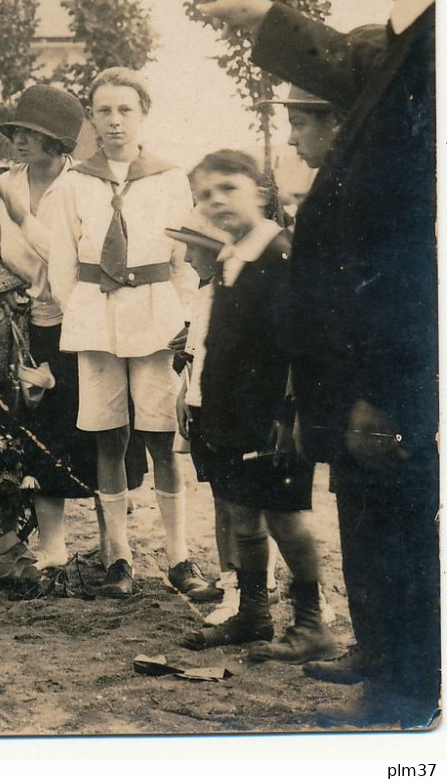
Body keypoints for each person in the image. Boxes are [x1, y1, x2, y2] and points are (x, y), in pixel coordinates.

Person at [194, 0, 436, 726]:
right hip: (369, 344)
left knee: (393, 508)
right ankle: (387, 661)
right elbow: (345, 59)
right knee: (370, 507)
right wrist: (263, 15)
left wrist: (381, 378)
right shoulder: (405, 34)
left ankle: (407, 692)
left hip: (394, 348)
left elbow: (413, 243)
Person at [45, 67, 207, 601]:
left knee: (160, 437)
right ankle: (119, 557)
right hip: (97, 317)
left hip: (155, 315)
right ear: (91, 116)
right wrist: (86, 307)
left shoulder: (168, 177)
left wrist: (177, 314)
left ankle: (179, 557)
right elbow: (63, 263)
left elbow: (185, 257)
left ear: (142, 115)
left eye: (125, 111)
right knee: (107, 434)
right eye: (105, 111)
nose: (115, 122)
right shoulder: (74, 182)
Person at [177, 151, 336, 663]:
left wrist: (289, 417)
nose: (216, 201)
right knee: (242, 514)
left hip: (273, 420)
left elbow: (304, 347)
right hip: (230, 414)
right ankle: (253, 614)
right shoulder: (231, 257)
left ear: (261, 192)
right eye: (205, 194)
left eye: (228, 187)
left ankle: (312, 624)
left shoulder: (281, 254)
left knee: (285, 517)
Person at [0, 84, 98, 570]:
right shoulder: (4, 183)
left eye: (33, 132)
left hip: (67, 320)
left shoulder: (83, 186)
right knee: (12, 424)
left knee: (60, 426)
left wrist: (24, 218)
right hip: (14, 317)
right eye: (17, 131)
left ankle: (59, 540)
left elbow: (76, 258)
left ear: (58, 140)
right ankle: (14, 538)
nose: (21, 140)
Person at [165, 209, 241, 619]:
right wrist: (183, 390)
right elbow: (194, 353)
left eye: (194, 248)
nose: (189, 258)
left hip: (228, 408)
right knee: (221, 497)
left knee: (240, 502)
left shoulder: (234, 292)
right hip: (202, 404)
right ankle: (231, 578)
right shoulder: (205, 290)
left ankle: (247, 589)